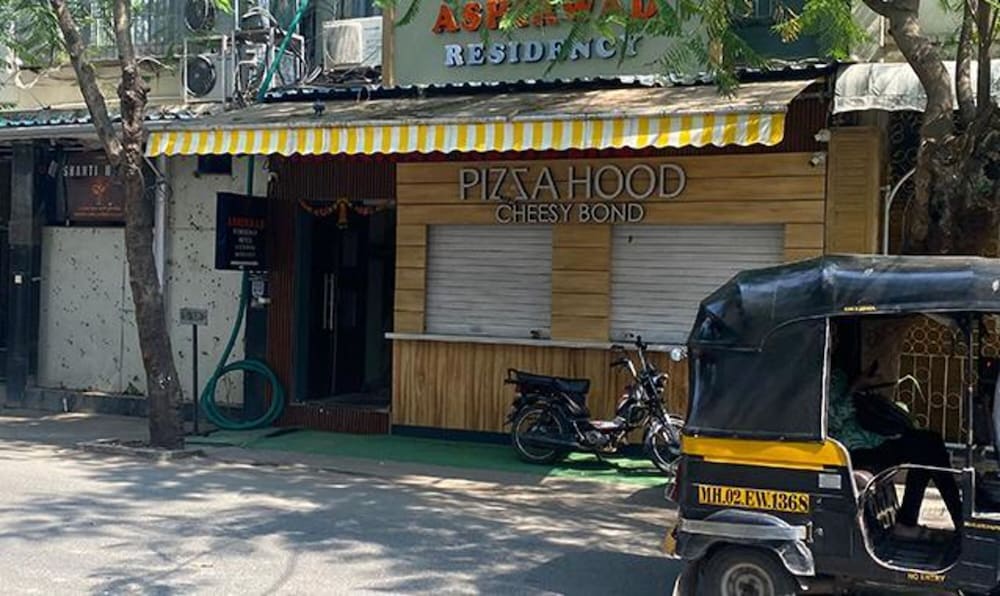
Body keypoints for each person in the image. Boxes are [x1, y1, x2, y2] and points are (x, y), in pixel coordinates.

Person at [829, 369, 963, 535]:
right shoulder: (820, 379)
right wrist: (854, 388)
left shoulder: (839, 373)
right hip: (850, 450)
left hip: (874, 439)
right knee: (927, 446)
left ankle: (912, 521)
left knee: (929, 444)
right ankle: (955, 520)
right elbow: (832, 421)